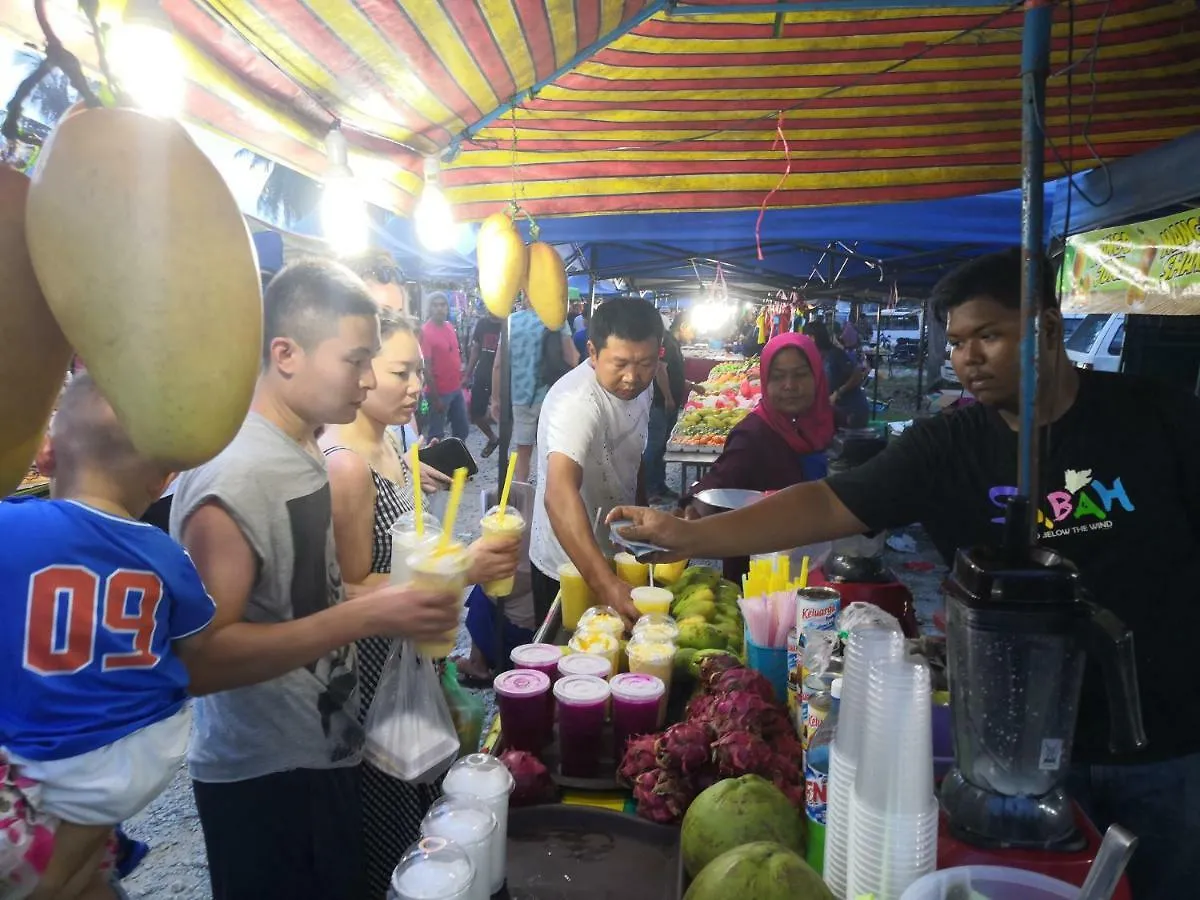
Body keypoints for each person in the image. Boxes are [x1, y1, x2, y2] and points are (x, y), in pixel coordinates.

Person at [612, 247, 1200, 898]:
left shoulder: (1158, 419)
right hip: (1012, 754)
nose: (967, 356)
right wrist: (689, 534)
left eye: (990, 335)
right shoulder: (946, 447)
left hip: (1169, 742)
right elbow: (827, 503)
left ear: (1051, 330)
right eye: (955, 342)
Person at [170, 260, 460, 900]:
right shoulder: (237, 472)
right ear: (286, 353)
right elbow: (202, 658)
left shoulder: (298, 449)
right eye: (356, 360)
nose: (367, 378)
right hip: (263, 775)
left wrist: (407, 592)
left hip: (321, 746)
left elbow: (311, 598)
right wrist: (367, 615)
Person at [319, 309, 519, 899]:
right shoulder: (347, 468)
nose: (417, 388)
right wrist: (463, 567)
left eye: (420, 372)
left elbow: (404, 561)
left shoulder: (397, 451)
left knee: (425, 822)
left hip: (414, 663)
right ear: (358, 372)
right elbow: (350, 592)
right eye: (400, 372)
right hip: (372, 682)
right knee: (391, 843)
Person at [0, 374, 215, 900]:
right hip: (151, 745)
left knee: (44, 882)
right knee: (88, 866)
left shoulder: (10, 528)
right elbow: (197, 640)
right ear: (163, 480)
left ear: (45, 456)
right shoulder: (166, 554)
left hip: (52, 753)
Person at [530, 297, 663, 625]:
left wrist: (643, 520)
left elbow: (635, 451)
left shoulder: (641, 387)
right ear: (592, 352)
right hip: (568, 565)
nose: (632, 377)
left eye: (645, 363)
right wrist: (605, 584)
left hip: (616, 548)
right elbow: (559, 495)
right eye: (619, 364)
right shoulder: (575, 401)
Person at [678, 333, 834, 580]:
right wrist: (690, 517)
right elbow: (720, 482)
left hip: (823, 568)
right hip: (761, 580)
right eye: (778, 376)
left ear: (817, 376)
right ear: (765, 380)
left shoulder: (831, 426)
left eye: (801, 374)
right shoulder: (754, 434)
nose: (790, 385)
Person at [492, 302, 579, 484]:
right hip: (553, 397)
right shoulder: (556, 320)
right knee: (552, 450)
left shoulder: (511, 322)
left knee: (523, 451)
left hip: (522, 397)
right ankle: (549, 494)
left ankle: (521, 491)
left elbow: (499, 365)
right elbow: (572, 358)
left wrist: (496, 399)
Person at [643, 317, 690, 505]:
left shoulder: (672, 341)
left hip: (668, 402)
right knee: (654, 447)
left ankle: (660, 485)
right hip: (660, 404)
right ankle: (647, 489)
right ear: (684, 326)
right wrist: (669, 397)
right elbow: (660, 370)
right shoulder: (666, 341)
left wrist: (691, 386)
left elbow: (674, 374)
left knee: (662, 446)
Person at [419, 292, 468, 442]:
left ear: (447, 307)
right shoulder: (425, 332)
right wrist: (435, 398)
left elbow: (455, 354)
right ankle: (436, 465)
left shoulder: (449, 326)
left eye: (443, 305)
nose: (439, 309)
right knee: (436, 435)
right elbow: (426, 368)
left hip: (455, 389)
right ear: (430, 308)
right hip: (438, 393)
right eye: (435, 305)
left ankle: (457, 460)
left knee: (462, 430)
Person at [807, 319, 870, 429]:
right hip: (835, 411)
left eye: (806, 337)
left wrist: (838, 392)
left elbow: (857, 375)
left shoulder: (835, 354)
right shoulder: (817, 356)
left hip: (851, 411)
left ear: (813, 337)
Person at [464, 313, 502, 457]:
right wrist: (468, 373)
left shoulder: (508, 323)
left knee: (504, 416)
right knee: (475, 413)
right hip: (483, 374)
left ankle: (504, 455)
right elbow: (476, 349)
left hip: (502, 375)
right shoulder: (482, 324)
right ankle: (493, 438)